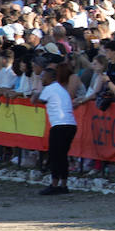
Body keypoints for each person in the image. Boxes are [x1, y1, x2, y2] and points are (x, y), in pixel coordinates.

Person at [38, 64, 76, 196]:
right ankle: (63, 185)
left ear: (49, 77)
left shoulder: (50, 88)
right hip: (70, 124)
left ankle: (54, 184)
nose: (41, 79)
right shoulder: (61, 89)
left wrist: (35, 93)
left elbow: (38, 100)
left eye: (43, 77)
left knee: (55, 156)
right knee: (62, 156)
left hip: (59, 125)